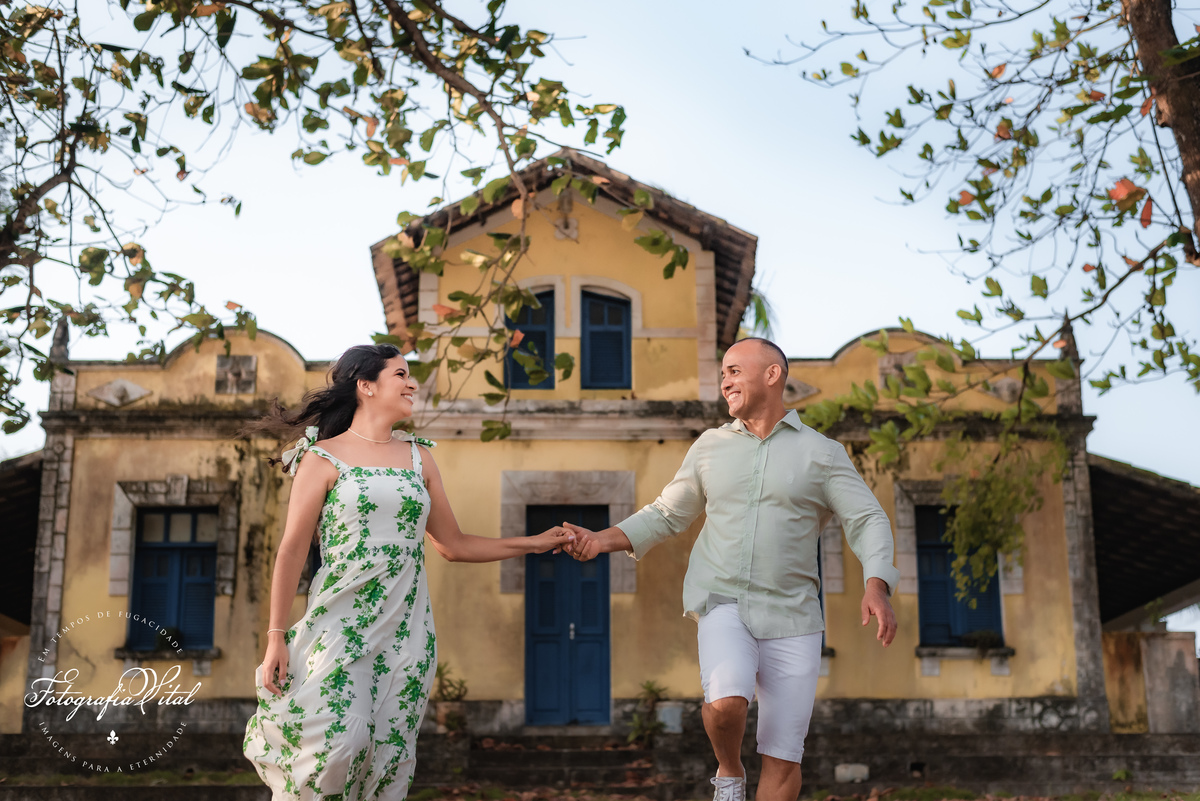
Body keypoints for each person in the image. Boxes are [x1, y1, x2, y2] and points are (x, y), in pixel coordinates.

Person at [563, 337, 900, 801]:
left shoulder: (822, 453)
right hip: (722, 600)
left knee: (783, 756)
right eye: (723, 373)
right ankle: (729, 770)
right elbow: (667, 513)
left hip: (795, 616)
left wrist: (876, 584)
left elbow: (867, 519)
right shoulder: (709, 447)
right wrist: (601, 540)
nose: (725, 381)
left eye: (735, 370)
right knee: (725, 704)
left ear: (772, 374)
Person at [242, 343, 575, 800]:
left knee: (389, 751)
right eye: (400, 374)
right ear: (366, 386)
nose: (412, 384)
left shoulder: (419, 457)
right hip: (341, 623)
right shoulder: (322, 458)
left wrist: (533, 543)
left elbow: (453, 544)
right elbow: (292, 550)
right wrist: (276, 636)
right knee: (339, 743)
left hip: (406, 629)